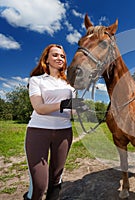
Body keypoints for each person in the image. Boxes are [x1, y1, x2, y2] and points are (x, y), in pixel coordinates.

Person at [23, 44, 83, 200]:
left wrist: (80, 109)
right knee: (39, 184)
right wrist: (63, 104)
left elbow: (73, 112)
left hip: (64, 133)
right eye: (55, 55)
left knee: (56, 179)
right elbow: (39, 108)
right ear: (46, 59)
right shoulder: (37, 80)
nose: (60, 58)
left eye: (62, 56)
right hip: (38, 131)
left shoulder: (70, 85)